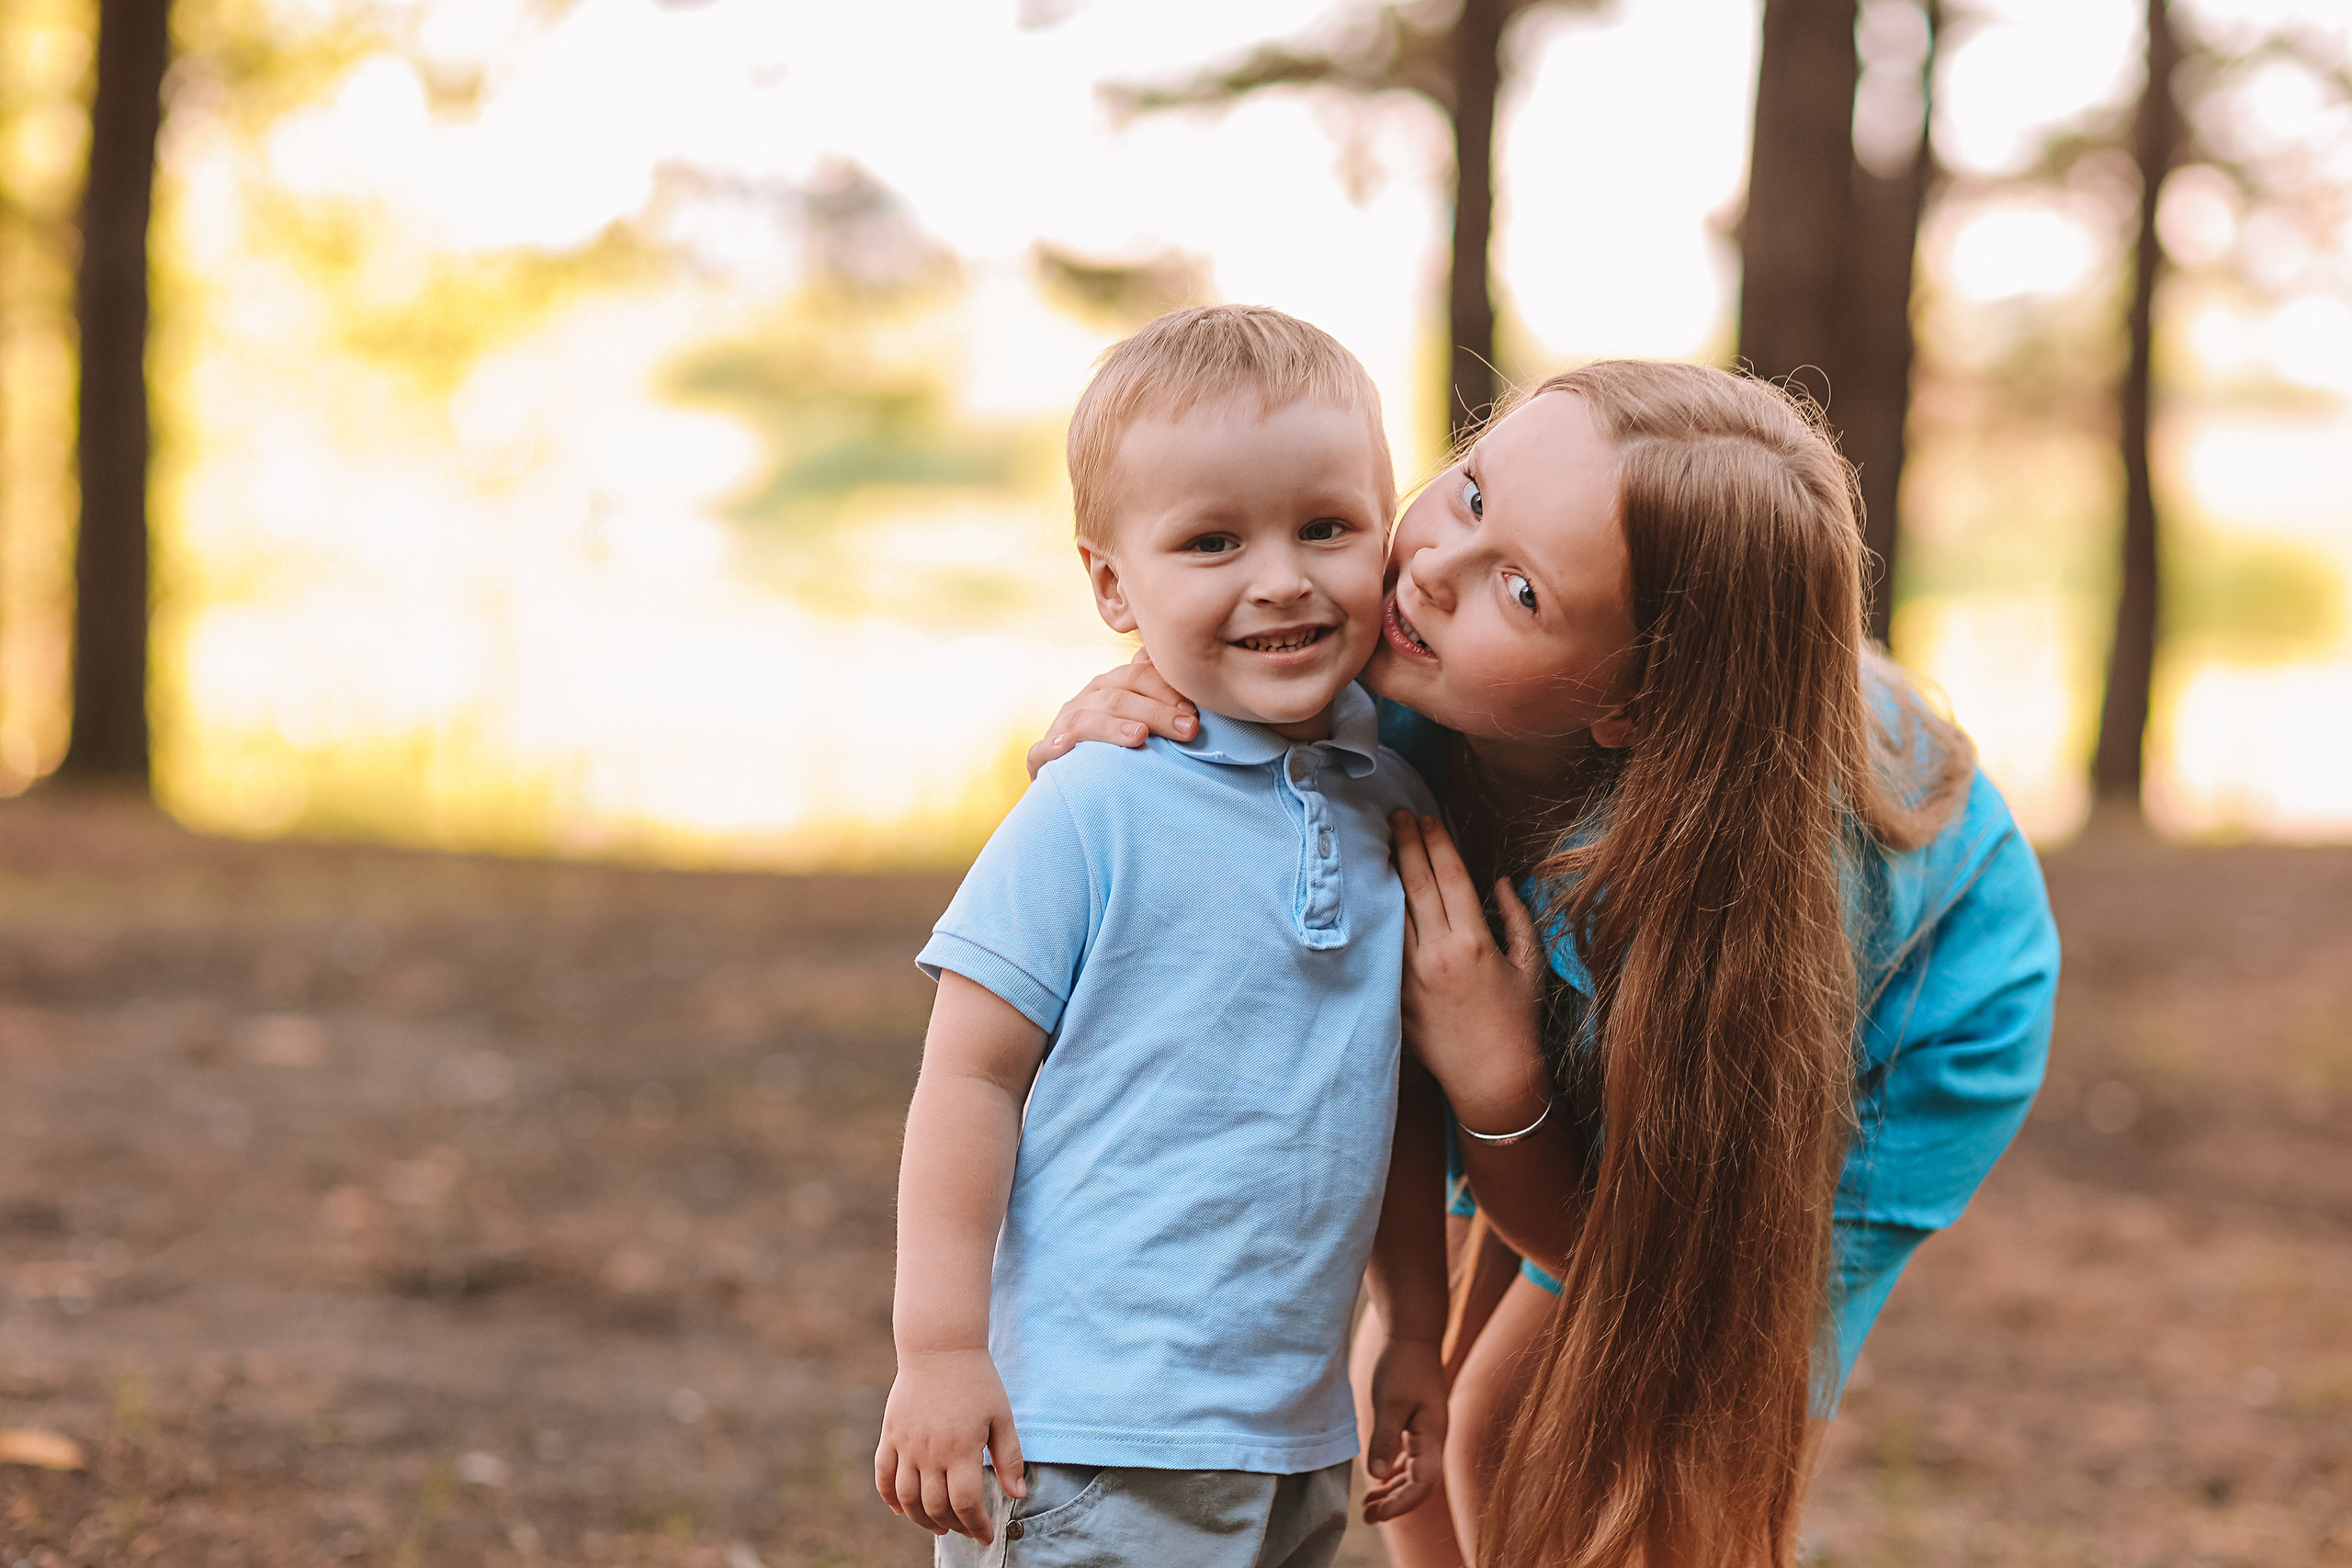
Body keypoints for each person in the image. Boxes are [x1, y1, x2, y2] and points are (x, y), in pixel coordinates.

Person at [1027, 358, 2061, 1568]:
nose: (1430, 570)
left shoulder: (1731, 899)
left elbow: (1645, 1274)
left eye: (1519, 590)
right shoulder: (1400, 653)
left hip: (1885, 1032)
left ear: (1633, 702)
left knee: (1531, 1435)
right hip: (1561, 972)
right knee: (1403, 1409)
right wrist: (1130, 729)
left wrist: (1499, 1079)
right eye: (1470, 493)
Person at [875, 305, 1453, 1567]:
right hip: (1087, 1436)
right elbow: (969, 1077)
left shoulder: (1393, 806)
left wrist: (1415, 1328)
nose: (1281, 577)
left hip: (1292, 1441)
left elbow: (1394, 1100)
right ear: (1111, 584)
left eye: (1326, 527)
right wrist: (940, 1349)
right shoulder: (1094, 803)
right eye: (1211, 541)